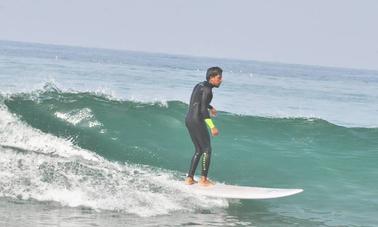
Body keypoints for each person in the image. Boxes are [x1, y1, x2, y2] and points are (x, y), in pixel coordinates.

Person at [184, 66, 223, 186]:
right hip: (197, 120)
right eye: (219, 78)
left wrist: (210, 107)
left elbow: (198, 101)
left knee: (199, 150)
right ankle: (203, 179)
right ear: (211, 78)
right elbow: (202, 109)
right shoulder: (208, 91)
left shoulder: (199, 85)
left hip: (189, 119)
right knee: (207, 149)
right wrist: (212, 126)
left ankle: (189, 178)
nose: (221, 80)